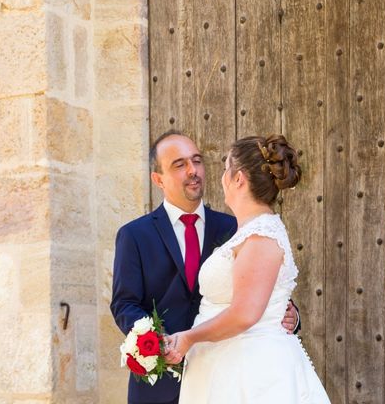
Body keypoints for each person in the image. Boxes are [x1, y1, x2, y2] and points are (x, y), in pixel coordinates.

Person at [110, 131, 299, 404]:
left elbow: (260, 289)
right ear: (158, 179)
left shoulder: (238, 227)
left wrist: (290, 313)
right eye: (179, 164)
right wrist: (156, 340)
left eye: (196, 161)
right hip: (160, 380)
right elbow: (124, 303)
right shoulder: (134, 235)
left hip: (227, 372)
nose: (193, 170)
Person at [164, 134, 331, 404]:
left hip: (251, 373)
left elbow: (244, 314)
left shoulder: (262, 236)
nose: (221, 178)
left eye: (226, 169)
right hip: (224, 366)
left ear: (238, 178)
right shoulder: (249, 232)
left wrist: (189, 338)